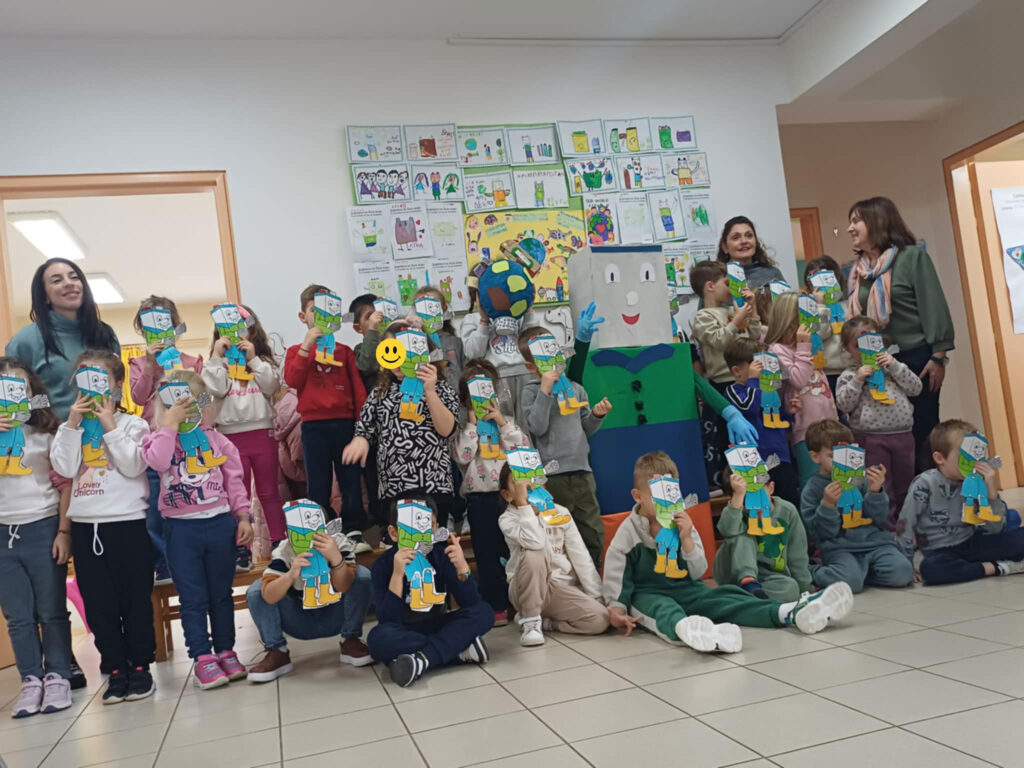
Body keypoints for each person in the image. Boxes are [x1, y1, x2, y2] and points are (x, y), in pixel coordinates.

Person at [603, 452, 853, 653]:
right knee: (662, 608)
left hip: (687, 588)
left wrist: (687, 539)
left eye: (671, 494)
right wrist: (617, 608)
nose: (665, 503)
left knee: (727, 597)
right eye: (657, 496)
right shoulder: (629, 531)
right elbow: (616, 573)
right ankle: (689, 630)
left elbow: (698, 572)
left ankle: (789, 612)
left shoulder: (681, 521)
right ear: (638, 497)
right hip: (648, 592)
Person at [50, 349, 155, 704]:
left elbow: (133, 466)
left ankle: (139, 666)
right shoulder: (71, 429)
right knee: (99, 605)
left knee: (135, 600)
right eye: (85, 381)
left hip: (127, 524)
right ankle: (115, 669)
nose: (93, 388)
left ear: (117, 385)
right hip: (86, 527)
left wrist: (109, 424)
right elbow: (65, 469)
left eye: (101, 380)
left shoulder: (133, 425)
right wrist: (72, 423)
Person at [141, 369, 254, 690]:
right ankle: (203, 657)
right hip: (180, 531)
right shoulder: (157, 439)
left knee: (221, 594)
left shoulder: (217, 440)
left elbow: (234, 481)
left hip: (220, 525)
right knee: (192, 597)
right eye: (176, 405)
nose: (185, 411)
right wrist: (169, 425)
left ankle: (226, 651)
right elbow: (158, 462)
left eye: (191, 404)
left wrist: (243, 517)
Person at [846, 197, 955, 472]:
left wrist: (939, 357)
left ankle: (927, 490)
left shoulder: (912, 257)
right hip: (876, 361)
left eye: (856, 221)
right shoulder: (859, 269)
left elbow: (933, 305)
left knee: (923, 431)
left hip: (917, 358)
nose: (850, 228)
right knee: (887, 437)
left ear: (876, 222)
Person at [0, 358, 74, 717]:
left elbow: (65, 486)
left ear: (32, 394)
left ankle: (58, 675)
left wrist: (64, 532)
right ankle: (30, 678)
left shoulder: (47, 434)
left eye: (20, 388)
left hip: (43, 527)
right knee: (17, 616)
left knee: (51, 610)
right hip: (3, 536)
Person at [342, 320, 461, 528]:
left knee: (434, 543)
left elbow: (446, 430)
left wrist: (429, 390)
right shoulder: (380, 393)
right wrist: (360, 440)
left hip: (434, 486)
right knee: (402, 544)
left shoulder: (442, 389)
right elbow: (365, 427)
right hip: (394, 488)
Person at [366, 496, 493, 688]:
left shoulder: (441, 555)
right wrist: (397, 575)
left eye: (428, 525)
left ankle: (420, 660)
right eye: (412, 525)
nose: (421, 531)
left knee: (484, 612)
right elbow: (387, 620)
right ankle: (457, 650)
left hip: (439, 623)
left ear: (436, 528)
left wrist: (462, 568)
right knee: (377, 640)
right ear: (394, 533)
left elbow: (471, 602)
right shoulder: (382, 566)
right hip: (404, 630)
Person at [284, 284, 369, 551]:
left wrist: (361, 429)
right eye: (314, 310)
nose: (320, 315)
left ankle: (353, 530)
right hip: (313, 426)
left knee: (350, 479)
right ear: (303, 316)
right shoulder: (295, 351)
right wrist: (306, 347)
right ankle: (320, 532)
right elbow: (292, 380)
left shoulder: (344, 351)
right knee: (318, 483)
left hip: (345, 424)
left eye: (326, 310)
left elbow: (358, 391)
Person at [519, 325, 612, 568]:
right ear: (531, 366)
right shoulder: (530, 392)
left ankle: (593, 573)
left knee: (592, 528)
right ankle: (565, 578)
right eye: (543, 356)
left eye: (554, 352)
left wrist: (597, 415)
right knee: (558, 531)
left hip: (581, 470)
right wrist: (545, 391)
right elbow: (536, 427)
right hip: (553, 475)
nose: (552, 360)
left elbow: (585, 428)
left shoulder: (576, 389)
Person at [245, 510, 373, 682]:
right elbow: (267, 596)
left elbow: (346, 585)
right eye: (298, 532)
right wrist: (290, 575)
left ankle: (351, 639)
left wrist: (336, 559)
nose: (308, 537)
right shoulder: (284, 550)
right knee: (257, 589)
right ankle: (277, 651)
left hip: (336, 614)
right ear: (287, 534)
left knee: (362, 575)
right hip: (298, 618)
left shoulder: (339, 542)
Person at [129, 296, 203, 585]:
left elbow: (204, 400)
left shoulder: (192, 362)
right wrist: (150, 365)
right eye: (150, 326)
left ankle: (192, 558)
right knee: (155, 510)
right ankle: (163, 564)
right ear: (143, 331)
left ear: (175, 326)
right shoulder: (138, 363)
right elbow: (138, 398)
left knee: (189, 501)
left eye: (164, 324)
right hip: (155, 443)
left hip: (187, 443)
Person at [897, 419, 1024, 585]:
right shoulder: (924, 483)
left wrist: (991, 491)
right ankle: (996, 567)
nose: (973, 461)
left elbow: (995, 529)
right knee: (931, 569)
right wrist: (907, 563)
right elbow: (905, 524)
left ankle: (983, 565)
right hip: (941, 552)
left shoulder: (974, 481)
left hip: (973, 542)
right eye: (965, 455)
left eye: (976, 455)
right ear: (939, 458)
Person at [205, 304, 285, 563]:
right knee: (237, 494)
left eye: (241, 327)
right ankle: (241, 550)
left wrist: (253, 359)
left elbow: (271, 386)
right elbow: (215, 389)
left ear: (252, 330)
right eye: (227, 328)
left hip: (262, 433)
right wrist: (217, 357)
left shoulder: (262, 361)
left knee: (269, 492)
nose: (236, 333)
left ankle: (279, 543)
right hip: (230, 436)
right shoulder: (218, 363)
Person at [498, 464, 609, 646]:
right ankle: (531, 622)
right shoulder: (508, 519)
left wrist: (598, 597)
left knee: (600, 619)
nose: (531, 486)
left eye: (536, 479)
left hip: (557, 590)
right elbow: (535, 542)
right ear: (508, 495)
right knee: (534, 552)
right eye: (521, 483)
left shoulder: (560, 513)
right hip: (524, 589)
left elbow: (580, 556)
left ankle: (546, 623)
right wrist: (524, 505)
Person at [453, 359, 528, 626]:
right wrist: (472, 425)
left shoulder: (508, 423)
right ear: (466, 400)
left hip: (508, 496)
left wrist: (502, 422)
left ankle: (519, 600)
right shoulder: (464, 430)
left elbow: (522, 448)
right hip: (480, 499)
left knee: (514, 548)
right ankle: (495, 604)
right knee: (486, 554)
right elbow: (462, 456)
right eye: (473, 397)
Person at [803, 420, 914, 593]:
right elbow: (817, 533)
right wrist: (828, 505)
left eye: (847, 455)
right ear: (815, 457)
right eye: (833, 456)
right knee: (850, 583)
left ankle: (863, 573)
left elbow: (879, 519)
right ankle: (813, 571)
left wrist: (875, 492)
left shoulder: (861, 479)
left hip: (875, 543)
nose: (842, 463)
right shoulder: (812, 488)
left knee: (903, 573)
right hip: (839, 548)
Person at [6, 257, 120, 420]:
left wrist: (111, 408)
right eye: (57, 280)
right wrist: (55, 409)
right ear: (45, 296)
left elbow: (118, 389)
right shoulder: (24, 341)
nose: (69, 283)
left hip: (105, 430)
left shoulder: (105, 334)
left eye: (74, 277)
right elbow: (15, 402)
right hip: (51, 433)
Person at [835, 315, 922, 525]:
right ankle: (887, 528)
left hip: (903, 435)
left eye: (872, 342)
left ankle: (907, 527)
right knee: (882, 485)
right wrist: (857, 380)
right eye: (858, 346)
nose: (866, 350)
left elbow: (916, 388)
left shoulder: (892, 368)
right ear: (848, 349)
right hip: (870, 438)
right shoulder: (849, 375)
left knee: (905, 484)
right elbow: (843, 405)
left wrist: (895, 366)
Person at [767, 292, 839, 487]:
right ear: (790, 320)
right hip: (805, 428)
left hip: (830, 423)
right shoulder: (777, 349)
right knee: (813, 481)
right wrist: (804, 345)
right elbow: (799, 379)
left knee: (837, 480)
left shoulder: (809, 344)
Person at [413, 285, 468, 534]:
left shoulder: (455, 341)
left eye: (433, 305)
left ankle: (463, 511)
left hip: (458, 411)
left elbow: (463, 374)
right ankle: (446, 514)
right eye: (421, 306)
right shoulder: (414, 341)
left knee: (462, 461)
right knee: (441, 464)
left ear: (444, 309)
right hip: (431, 412)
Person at [722, 337, 799, 506]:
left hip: (780, 456)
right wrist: (753, 380)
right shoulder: (733, 391)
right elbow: (750, 407)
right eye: (758, 365)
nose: (763, 370)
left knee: (789, 501)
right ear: (737, 371)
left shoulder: (765, 389)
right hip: (756, 461)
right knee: (762, 506)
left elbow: (773, 418)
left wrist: (788, 413)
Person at [714, 469, 812, 602]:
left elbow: (797, 554)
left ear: (771, 488)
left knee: (791, 589)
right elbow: (728, 530)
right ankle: (747, 583)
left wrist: (804, 588)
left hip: (769, 578)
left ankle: (740, 598)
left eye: (757, 494)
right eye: (745, 498)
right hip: (732, 571)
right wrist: (737, 499)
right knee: (742, 535)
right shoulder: (735, 512)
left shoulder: (787, 511)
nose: (754, 504)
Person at [690, 260, 762, 388]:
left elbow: (754, 336)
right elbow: (719, 341)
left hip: (748, 376)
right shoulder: (703, 317)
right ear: (710, 286)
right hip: (724, 381)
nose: (731, 288)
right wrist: (737, 320)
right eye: (728, 284)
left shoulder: (733, 311)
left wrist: (753, 309)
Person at [350, 293, 386, 538]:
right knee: (375, 476)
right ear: (358, 327)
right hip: (374, 428)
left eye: (378, 313)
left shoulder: (398, 343)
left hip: (400, 425)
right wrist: (373, 332)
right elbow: (368, 365)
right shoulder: (360, 350)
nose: (376, 319)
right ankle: (384, 525)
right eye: (368, 317)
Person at [803, 256, 854, 397]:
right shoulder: (809, 311)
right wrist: (820, 306)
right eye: (813, 279)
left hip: (851, 369)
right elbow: (820, 333)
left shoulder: (849, 305)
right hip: (827, 372)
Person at [715, 216, 786, 290]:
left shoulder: (772, 274)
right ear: (725, 247)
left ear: (756, 242)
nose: (744, 241)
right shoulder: (716, 279)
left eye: (749, 236)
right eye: (736, 238)